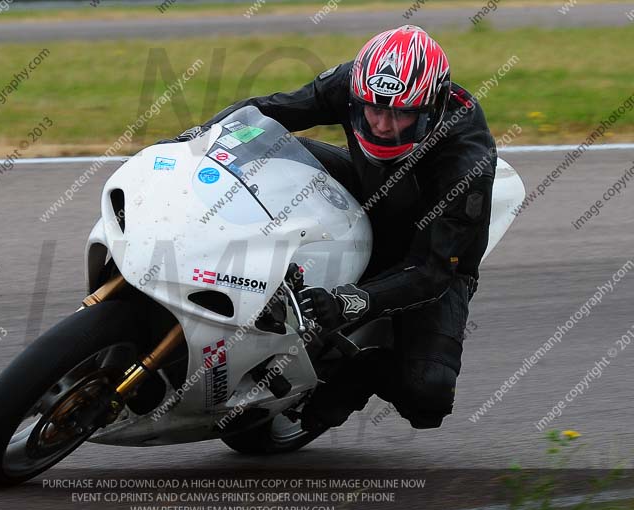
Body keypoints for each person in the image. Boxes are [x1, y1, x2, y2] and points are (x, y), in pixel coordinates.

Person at [175, 25, 497, 431]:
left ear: (431, 109)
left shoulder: (468, 158)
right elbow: (266, 112)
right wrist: (192, 141)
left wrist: (352, 300)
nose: (381, 125)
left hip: (431, 251)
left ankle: (363, 369)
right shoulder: (352, 84)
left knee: (428, 397)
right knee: (264, 150)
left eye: (399, 115)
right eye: (373, 110)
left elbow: (432, 271)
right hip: (368, 189)